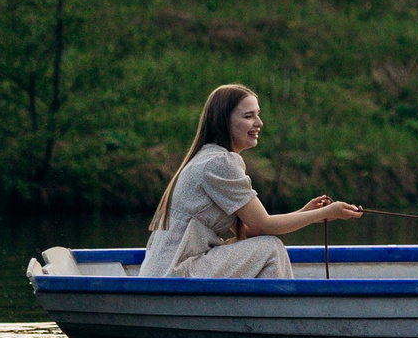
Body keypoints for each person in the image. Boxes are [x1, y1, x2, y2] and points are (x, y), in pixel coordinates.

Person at [142, 84, 362, 278]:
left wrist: (306, 213)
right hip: (175, 274)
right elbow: (263, 225)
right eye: (248, 116)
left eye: (258, 115)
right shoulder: (220, 163)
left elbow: (249, 231)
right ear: (224, 122)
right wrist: (326, 213)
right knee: (270, 248)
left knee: (264, 245)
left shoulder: (209, 158)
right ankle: (281, 319)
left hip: (165, 272)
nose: (259, 123)